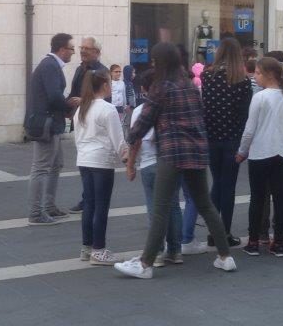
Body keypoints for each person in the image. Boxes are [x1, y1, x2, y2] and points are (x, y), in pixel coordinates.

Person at [115, 42, 237, 279]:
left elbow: (145, 120)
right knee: (205, 204)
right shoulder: (189, 85)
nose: (152, 64)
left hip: (172, 152)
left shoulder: (161, 87)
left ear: (161, 62)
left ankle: (145, 264)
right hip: (197, 151)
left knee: (160, 208)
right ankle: (225, 256)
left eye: (154, 60)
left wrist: (130, 141)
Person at [237, 57, 283, 257]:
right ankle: (278, 242)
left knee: (258, 198)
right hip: (282, 152)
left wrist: (242, 151)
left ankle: (253, 241)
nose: (255, 76)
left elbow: (249, 129)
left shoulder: (260, 97)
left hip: (260, 152)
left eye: (258, 73)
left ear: (269, 75)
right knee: (280, 198)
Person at [201, 37, 253, 245]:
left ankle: (213, 232)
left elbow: (206, 106)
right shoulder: (242, 80)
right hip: (233, 138)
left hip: (212, 136)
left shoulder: (207, 76)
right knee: (229, 186)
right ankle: (225, 233)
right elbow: (245, 113)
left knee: (217, 183)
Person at [74, 68, 128, 266]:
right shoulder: (108, 109)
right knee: (101, 206)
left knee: (89, 204)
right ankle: (99, 249)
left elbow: (77, 137)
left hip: (84, 159)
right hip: (101, 161)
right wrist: (127, 159)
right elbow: (118, 139)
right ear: (105, 85)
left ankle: (87, 247)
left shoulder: (82, 108)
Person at [130, 70, 183, 267]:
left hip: (149, 162)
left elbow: (135, 140)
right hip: (172, 161)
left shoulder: (141, 110)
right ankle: (175, 251)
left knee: (155, 209)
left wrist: (130, 164)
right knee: (174, 205)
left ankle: (157, 252)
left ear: (144, 89)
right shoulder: (174, 107)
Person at [25, 33, 80, 225]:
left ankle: (48, 206)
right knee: (41, 168)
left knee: (56, 164)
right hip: (46, 124)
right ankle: (36, 213)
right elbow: (54, 96)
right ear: (62, 49)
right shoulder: (50, 66)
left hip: (51, 123)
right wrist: (69, 106)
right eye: (71, 49)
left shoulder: (51, 65)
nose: (73, 52)